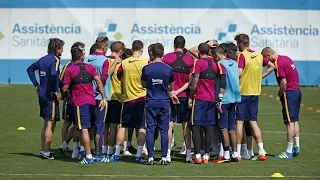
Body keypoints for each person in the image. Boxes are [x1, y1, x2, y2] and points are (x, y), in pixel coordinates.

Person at [62, 47, 107, 164]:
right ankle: (84, 152)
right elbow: (99, 82)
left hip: (80, 102)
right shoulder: (90, 67)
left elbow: (65, 88)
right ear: (82, 57)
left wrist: (67, 98)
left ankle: (88, 156)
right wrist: (103, 97)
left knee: (83, 129)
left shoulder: (70, 70)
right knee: (89, 128)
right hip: (92, 101)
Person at [234, 33, 275, 161]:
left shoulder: (242, 55)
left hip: (243, 92)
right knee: (253, 122)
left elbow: (239, 72)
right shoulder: (258, 55)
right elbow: (272, 66)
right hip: (255, 93)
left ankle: (238, 152)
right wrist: (260, 77)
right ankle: (262, 151)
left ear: (240, 44)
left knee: (239, 122)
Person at [188, 43, 226, 164]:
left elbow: (195, 80)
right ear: (209, 52)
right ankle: (207, 156)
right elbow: (223, 82)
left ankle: (198, 155)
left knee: (196, 126)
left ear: (199, 52)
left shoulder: (198, 63)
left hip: (199, 98)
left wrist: (190, 96)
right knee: (209, 127)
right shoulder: (217, 64)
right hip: (212, 99)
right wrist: (219, 98)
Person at [27, 38, 64, 159]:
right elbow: (54, 74)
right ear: (57, 49)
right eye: (61, 48)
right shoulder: (55, 60)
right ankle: (47, 153)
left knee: (45, 123)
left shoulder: (42, 59)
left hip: (42, 94)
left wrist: (36, 85)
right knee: (50, 123)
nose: (62, 51)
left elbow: (30, 69)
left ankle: (43, 150)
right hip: (49, 95)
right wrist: (55, 91)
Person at [142, 43, 179, 165]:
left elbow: (143, 84)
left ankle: (151, 157)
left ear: (152, 53)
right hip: (164, 102)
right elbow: (171, 87)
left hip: (151, 101)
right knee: (164, 130)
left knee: (151, 130)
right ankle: (164, 157)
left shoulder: (146, 68)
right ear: (163, 54)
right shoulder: (168, 69)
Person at [262, 47, 301, 159]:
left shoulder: (278, 63)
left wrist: (280, 93)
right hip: (297, 91)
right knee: (294, 121)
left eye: (266, 60)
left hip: (289, 93)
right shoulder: (286, 58)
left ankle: (288, 151)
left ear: (268, 56)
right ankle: (297, 146)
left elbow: (283, 82)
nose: (266, 63)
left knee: (289, 123)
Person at [113, 40, 148, 163]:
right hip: (142, 99)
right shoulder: (145, 62)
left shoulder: (124, 63)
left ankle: (117, 154)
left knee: (123, 126)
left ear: (132, 49)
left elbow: (118, 77)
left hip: (127, 99)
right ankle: (138, 155)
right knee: (142, 127)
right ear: (142, 49)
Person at [162, 35, 194, 162]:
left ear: (174, 45)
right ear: (184, 45)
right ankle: (188, 155)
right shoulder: (190, 60)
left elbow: (164, 76)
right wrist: (179, 91)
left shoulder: (167, 57)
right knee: (186, 126)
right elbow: (191, 81)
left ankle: (168, 154)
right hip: (184, 96)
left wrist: (171, 92)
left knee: (169, 125)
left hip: (170, 96)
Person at [214, 46, 241, 163]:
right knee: (232, 127)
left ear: (216, 55)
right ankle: (235, 153)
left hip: (224, 98)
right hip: (234, 97)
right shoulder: (233, 63)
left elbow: (223, 82)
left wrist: (219, 99)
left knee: (223, 127)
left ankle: (226, 154)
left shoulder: (220, 64)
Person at [58, 42, 85, 158]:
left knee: (76, 123)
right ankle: (64, 145)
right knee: (67, 122)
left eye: (84, 50)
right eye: (81, 50)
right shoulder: (68, 65)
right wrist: (65, 96)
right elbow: (61, 81)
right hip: (69, 99)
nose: (83, 51)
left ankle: (66, 145)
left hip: (78, 99)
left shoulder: (83, 64)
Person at [102, 41, 125, 158]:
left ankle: (103, 148)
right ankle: (110, 150)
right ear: (121, 51)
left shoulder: (105, 60)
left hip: (105, 96)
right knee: (113, 125)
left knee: (104, 125)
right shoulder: (121, 63)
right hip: (116, 97)